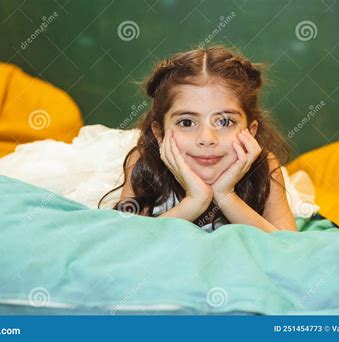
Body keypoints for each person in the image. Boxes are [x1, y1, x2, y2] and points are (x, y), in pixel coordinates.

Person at [99, 45, 297, 233]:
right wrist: (194, 201)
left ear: (251, 131)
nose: (206, 139)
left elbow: (291, 249)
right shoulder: (143, 164)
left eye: (225, 121)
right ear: (159, 133)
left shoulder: (265, 166)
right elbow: (125, 245)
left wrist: (226, 196)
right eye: (186, 122)